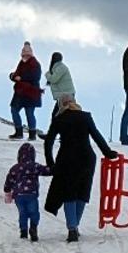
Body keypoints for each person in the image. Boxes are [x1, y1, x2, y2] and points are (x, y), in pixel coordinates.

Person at [44, 95, 118, 242]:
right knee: (82, 193)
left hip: (67, 160)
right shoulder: (85, 116)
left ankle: (72, 228)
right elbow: (97, 136)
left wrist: (51, 164)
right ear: (75, 103)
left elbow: (48, 143)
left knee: (69, 194)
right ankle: (75, 225)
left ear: (61, 105)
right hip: (86, 159)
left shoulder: (59, 119)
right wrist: (108, 153)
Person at [3, 142, 52, 242]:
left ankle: (23, 231)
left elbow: (9, 181)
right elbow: (47, 171)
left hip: (18, 196)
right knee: (34, 212)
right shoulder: (35, 166)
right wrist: (54, 167)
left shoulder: (15, 168)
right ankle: (33, 227)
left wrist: (7, 190)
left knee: (23, 213)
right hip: (31, 194)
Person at [8, 41, 43, 140]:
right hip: (20, 92)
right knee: (14, 110)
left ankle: (32, 134)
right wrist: (13, 76)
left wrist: (20, 78)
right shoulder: (21, 63)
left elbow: (35, 77)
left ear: (30, 54)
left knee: (29, 113)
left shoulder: (35, 64)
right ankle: (19, 132)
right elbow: (15, 74)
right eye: (24, 54)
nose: (25, 56)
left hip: (30, 92)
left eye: (27, 54)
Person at [45, 51, 75, 122]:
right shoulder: (57, 68)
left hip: (67, 95)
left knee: (57, 115)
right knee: (61, 115)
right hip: (65, 94)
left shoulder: (61, 68)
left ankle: (52, 133)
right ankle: (54, 132)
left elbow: (53, 79)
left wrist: (47, 74)